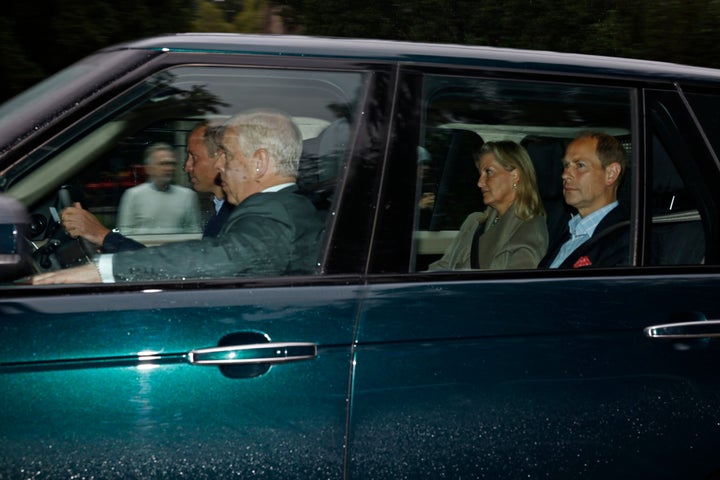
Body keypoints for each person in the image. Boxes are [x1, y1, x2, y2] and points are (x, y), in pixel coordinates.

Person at [32, 108, 325, 284]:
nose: (220, 165)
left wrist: (102, 271)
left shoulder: (274, 215)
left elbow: (221, 258)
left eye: (228, 155)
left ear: (259, 163)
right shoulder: (285, 206)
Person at [61, 122, 232, 252]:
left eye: (193, 157)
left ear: (220, 159)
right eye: (162, 164)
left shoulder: (233, 217)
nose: (185, 167)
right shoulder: (222, 211)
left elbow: (184, 268)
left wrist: (103, 236)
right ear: (149, 168)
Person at [428, 140, 548, 271]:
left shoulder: (530, 229)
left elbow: (514, 288)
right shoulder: (473, 222)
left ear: (515, 176)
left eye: (489, 172)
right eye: (480, 174)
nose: (480, 183)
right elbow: (441, 267)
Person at [539, 131, 629, 269]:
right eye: (566, 166)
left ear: (611, 174)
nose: (565, 175)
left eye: (580, 165)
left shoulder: (626, 239)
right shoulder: (566, 230)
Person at [115, 142, 201, 235]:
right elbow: (125, 233)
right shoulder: (133, 195)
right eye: (163, 164)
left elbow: (194, 232)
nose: (169, 168)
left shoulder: (188, 196)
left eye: (171, 164)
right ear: (149, 168)